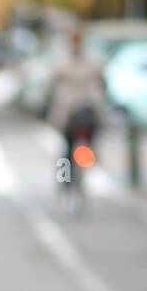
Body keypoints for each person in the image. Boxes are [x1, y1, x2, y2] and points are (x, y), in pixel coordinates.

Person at [46, 26, 109, 186]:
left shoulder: (62, 62)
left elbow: (52, 84)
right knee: (84, 142)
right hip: (87, 109)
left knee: (67, 147)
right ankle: (84, 167)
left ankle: (64, 179)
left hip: (71, 111)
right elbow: (103, 83)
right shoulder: (93, 60)